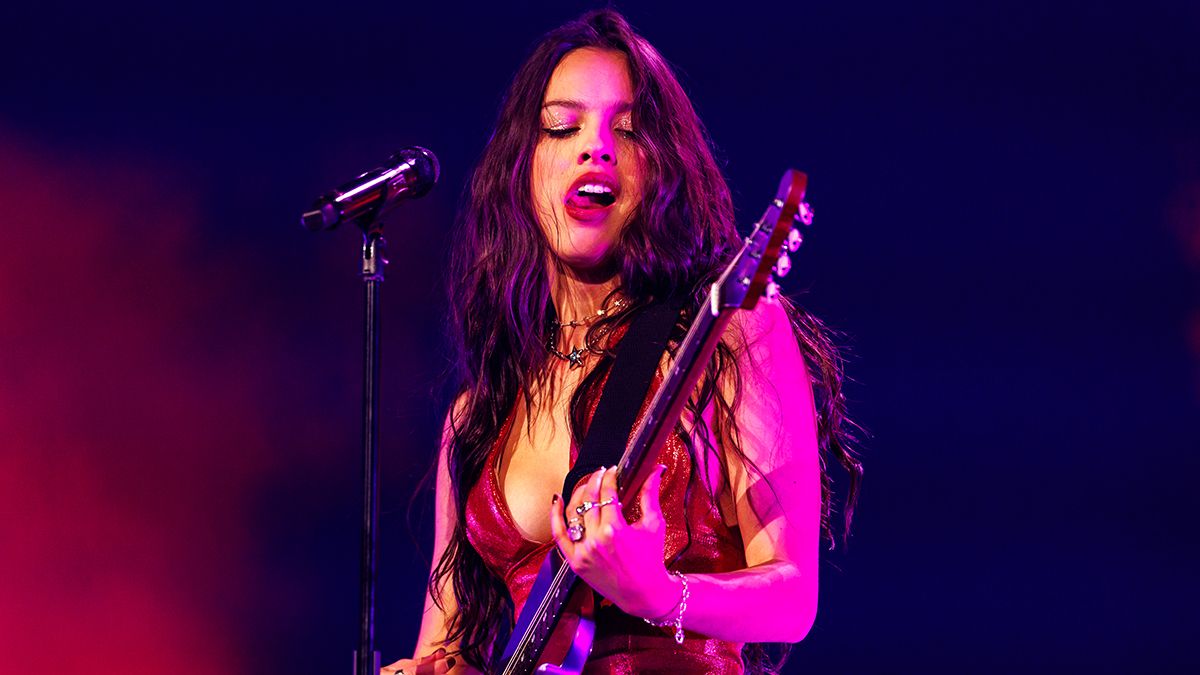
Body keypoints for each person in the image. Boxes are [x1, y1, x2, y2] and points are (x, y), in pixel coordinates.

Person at [384, 9, 861, 675]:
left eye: (628, 131)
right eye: (562, 127)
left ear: (662, 169)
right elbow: (447, 645)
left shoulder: (728, 331)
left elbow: (792, 598)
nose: (596, 148)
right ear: (522, 168)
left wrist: (659, 594)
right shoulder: (477, 418)